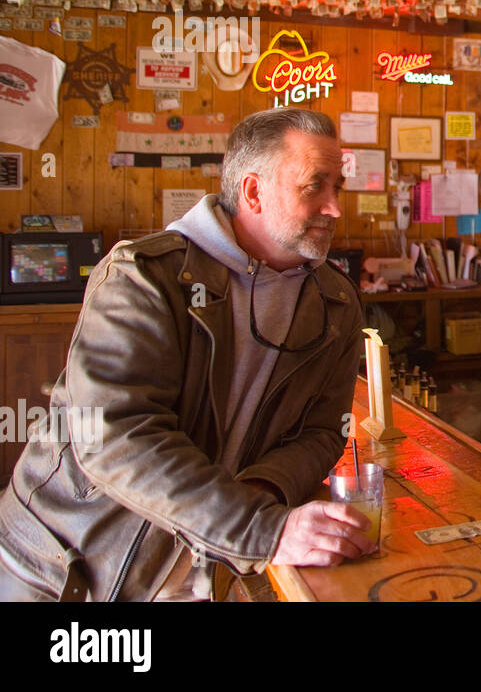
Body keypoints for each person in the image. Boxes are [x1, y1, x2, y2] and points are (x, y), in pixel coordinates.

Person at [0, 108, 373, 601]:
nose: (335, 209)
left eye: (337, 188)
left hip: (204, 569)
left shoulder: (336, 301)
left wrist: (259, 493)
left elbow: (323, 431)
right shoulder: (142, 276)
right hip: (65, 570)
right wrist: (261, 529)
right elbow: (114, 435)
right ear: (253, 192)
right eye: (314, 187)